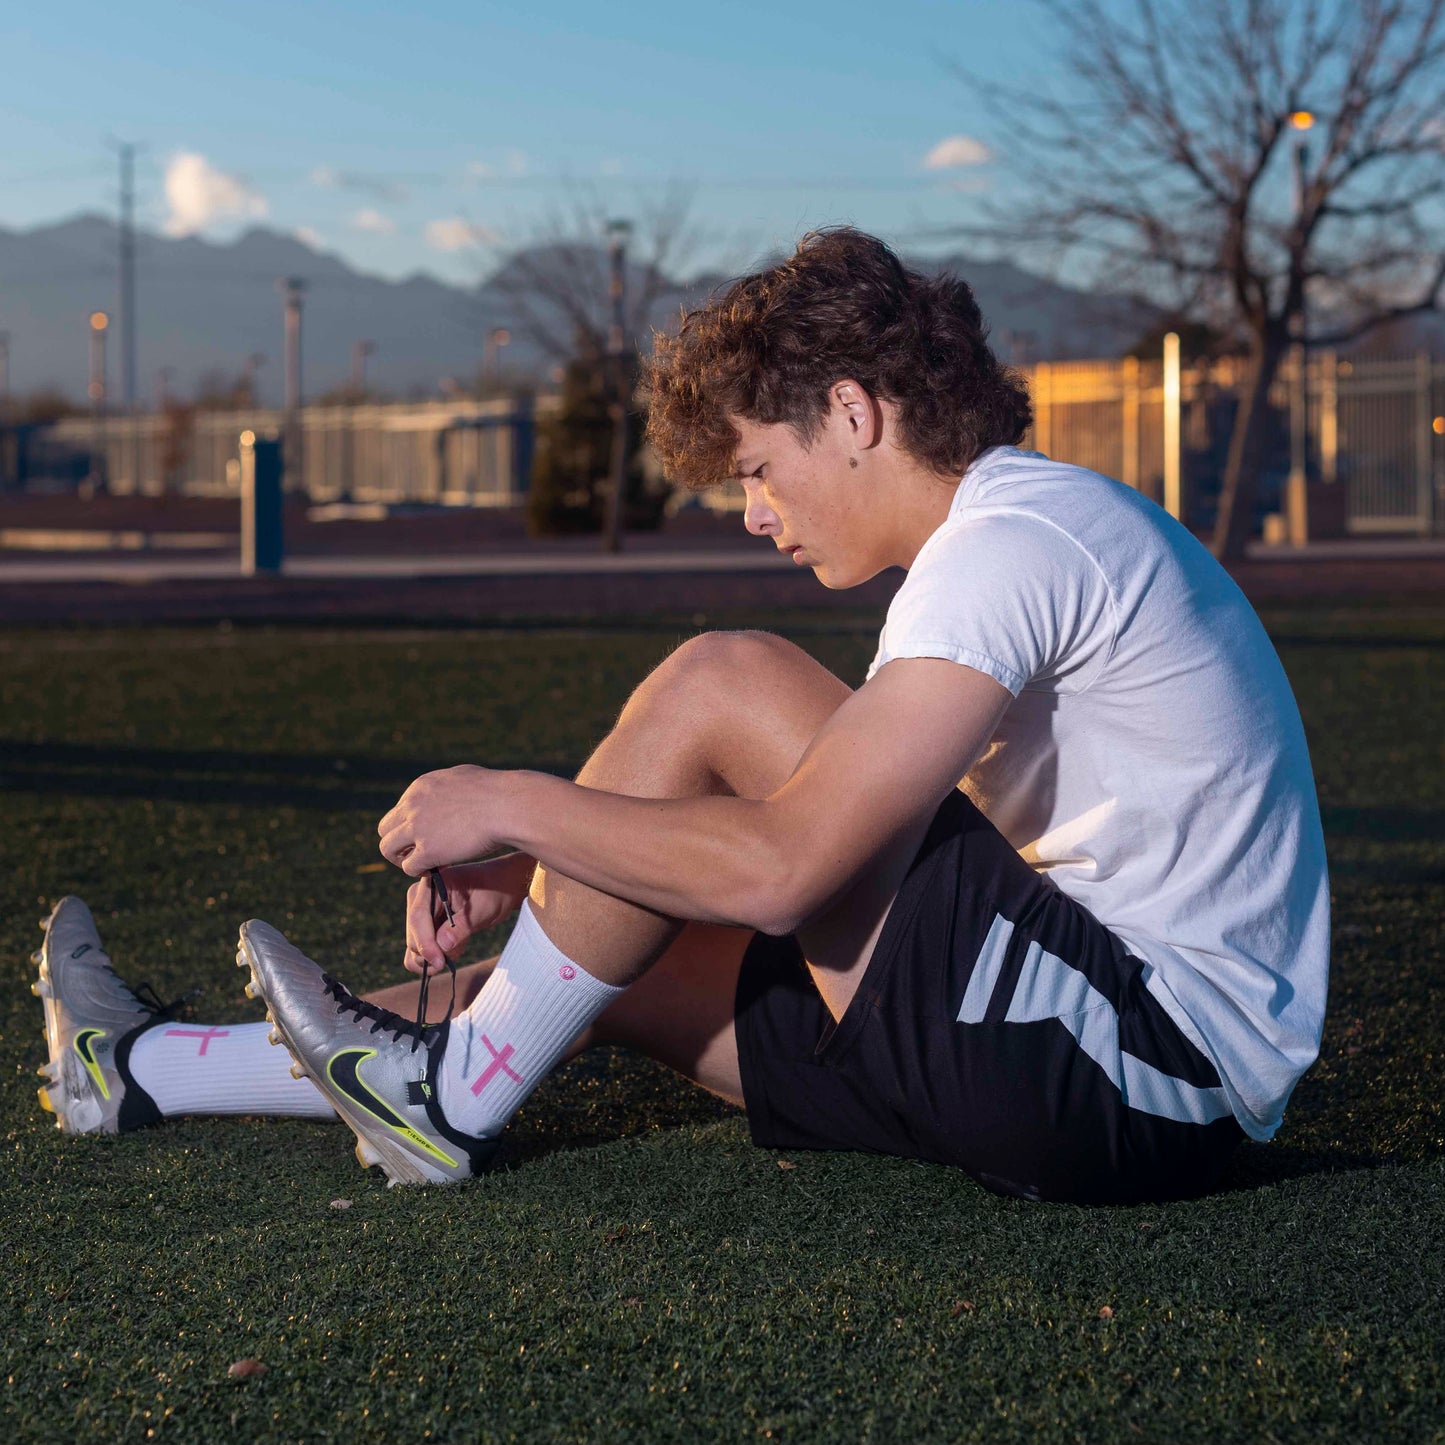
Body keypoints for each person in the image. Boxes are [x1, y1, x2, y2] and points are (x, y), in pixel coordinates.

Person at [33, 227, 1329, 1204]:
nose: (756, 514)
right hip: (1077, 1051)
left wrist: (513, 806)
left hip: (1140, 1064)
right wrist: (556, 873)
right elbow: (816, 851)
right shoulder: (1016, 533)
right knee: (588, 969)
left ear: (854, 413)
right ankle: (140, 1067)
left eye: (759, 468)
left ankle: (450, 1097)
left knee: (725, 678)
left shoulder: (1014, 541)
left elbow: (787, 865)